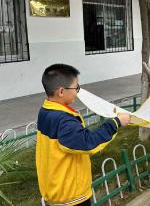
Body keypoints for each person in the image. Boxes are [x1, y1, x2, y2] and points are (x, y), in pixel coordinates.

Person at [36, 64, 131, 206]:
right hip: (70, 198)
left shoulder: (46, 111)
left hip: (54, 190)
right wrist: (116, 123)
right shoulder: (64, 121)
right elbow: (87, 143)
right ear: (61, 91)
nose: (77, 92)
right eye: (76, 88)